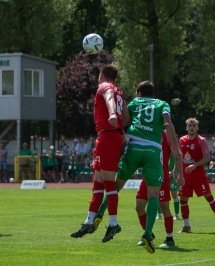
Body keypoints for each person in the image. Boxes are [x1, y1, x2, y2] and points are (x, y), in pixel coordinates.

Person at [74, 81, 181, 255]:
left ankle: (100, 213)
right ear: (152, 93)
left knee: (114, 186)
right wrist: (175, 148)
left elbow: (123, 120)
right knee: (154, 195)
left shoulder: (134, 103)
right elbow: (168, 124)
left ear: (138, 92)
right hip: (153, 150)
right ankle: (147, 233)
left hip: (133, 147)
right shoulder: (162, 104)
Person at [70, 64, 130, 244]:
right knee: (98, 182)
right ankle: (89, 221)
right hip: (108, 136)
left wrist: (112, 114)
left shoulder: (106, 86)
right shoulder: (120, 92)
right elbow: (126, 117)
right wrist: (119, 125)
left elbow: (109, 97)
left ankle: (113, 223)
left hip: (108, 137)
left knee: (109, 183)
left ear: (102, 75)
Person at [178, 118, 215, 234]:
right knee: (183, 199)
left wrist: (194, 165)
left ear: (197, 128)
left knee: (208, 196)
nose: (191, 127)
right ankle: (186, 225)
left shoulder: (201, 141)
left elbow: (207, 158)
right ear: (186, 128)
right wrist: (176, 171)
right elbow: (179, 157)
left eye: (194, 125)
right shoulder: (181, 140)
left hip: (198, 174)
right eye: (189, 125)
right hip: (186, 175)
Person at [135, 131, 179, 248]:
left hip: (161, 175)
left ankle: (169, 239)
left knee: (164, 207)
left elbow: (176, 154)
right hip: (148, 174)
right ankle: (148, 234)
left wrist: (176, 171)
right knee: (139, 206)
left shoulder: (168, 135)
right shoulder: (147, 132)